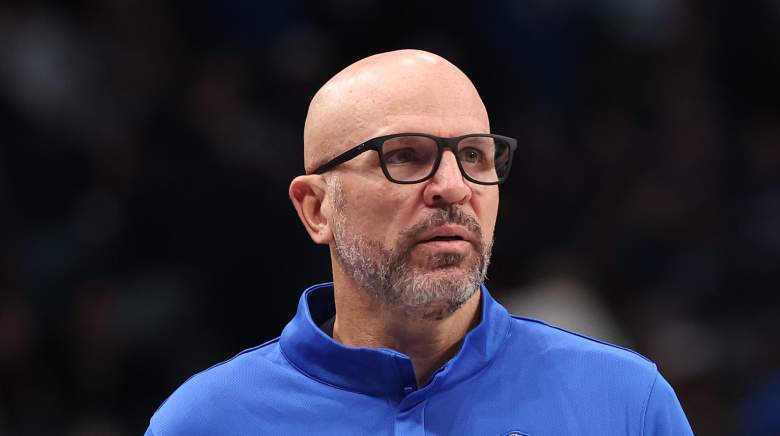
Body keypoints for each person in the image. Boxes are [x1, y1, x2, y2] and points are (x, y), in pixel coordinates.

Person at [145, 49, 693, 435]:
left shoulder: (626, 404)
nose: (453, 187)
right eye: (405, 155)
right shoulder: (205, 422)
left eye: (475, 156)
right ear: (316, 209)